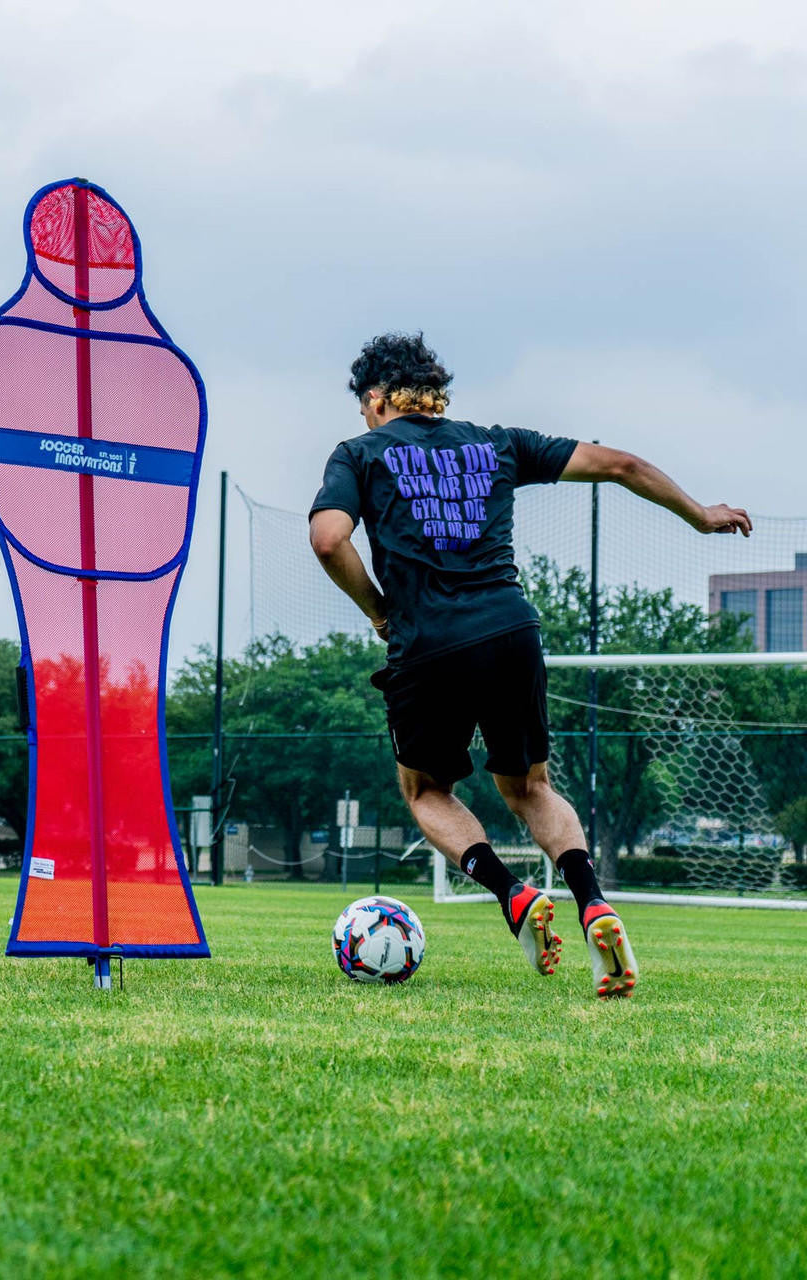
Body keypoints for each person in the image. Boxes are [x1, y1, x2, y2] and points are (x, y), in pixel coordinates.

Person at [308, 333, 752, 999]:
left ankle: (511, 893)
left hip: (428, 644)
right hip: (511, 632)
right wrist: (700, 515)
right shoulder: (498, 443)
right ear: (434, 393)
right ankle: (592, 901)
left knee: (427, 791)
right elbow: (622, 464)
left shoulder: (359, 454)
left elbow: (328, 539)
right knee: (531, 788)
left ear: (375, 399)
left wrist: (378, 611)